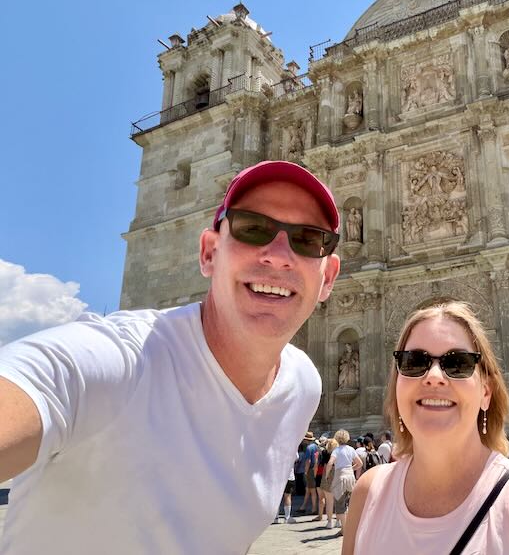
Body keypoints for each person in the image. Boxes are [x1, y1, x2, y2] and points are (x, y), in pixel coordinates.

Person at [0, 160, 341, 553]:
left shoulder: (302, 384)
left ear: (327, 278)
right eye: (252, 228)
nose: (278, 255)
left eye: (308, 239)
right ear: (209, 252)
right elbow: (43, 382)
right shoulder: (122, 359)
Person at [343, 302, 509, 554]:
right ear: (397, 384)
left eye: (458, 363)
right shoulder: (367, 495)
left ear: (486, 392)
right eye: (414, 362)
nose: (433, 376)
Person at [331, 429, 362, 537]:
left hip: (341, 479)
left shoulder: (336, 450)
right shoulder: (351, 449)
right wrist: (350, 469)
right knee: (350, 504)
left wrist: (327, 474)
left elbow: (330, 462)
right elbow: (360, 463)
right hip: (350, 478)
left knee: (340, 506)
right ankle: (352, 527)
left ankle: (345, 529)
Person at [299, 431, 319, 515]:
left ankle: (314, 509)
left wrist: (306, 471)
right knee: (308, 489)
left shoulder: (308, 448)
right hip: (314, 469)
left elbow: (308, 461)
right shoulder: (315, 446)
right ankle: (303, 507)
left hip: (310, 470)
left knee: (312, 490)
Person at [275, 452, 299, 524]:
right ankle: (287, 517)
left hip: (277, 476)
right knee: (287, 496)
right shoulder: (292, 448)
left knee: (277, 498)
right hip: (289, 476)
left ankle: (275, 518)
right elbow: (297, 458)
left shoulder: (277, 448)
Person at [321, 437, 339, 529]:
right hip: (338, 473)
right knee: (338, 500)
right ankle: (338, 521)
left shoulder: (324, 452)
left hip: (328, 474)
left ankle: (329, 522)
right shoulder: (339, 452)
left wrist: (326, 476)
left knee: (329, 501)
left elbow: (324, 465)